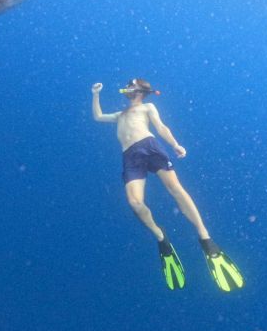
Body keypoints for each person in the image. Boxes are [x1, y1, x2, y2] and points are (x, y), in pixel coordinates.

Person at [92, 78, 244, 292]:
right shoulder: (120, 115)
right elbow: (98, 116)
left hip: (149, 146)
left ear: (138, 90)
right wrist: (96, 94)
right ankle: (161, 237)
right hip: (130, 157)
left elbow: (161, 127)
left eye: (130, 85)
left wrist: (175, 145)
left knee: (176, 190)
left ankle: (205, 237)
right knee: (135, 203)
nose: (125, 88)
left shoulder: (147, 106)